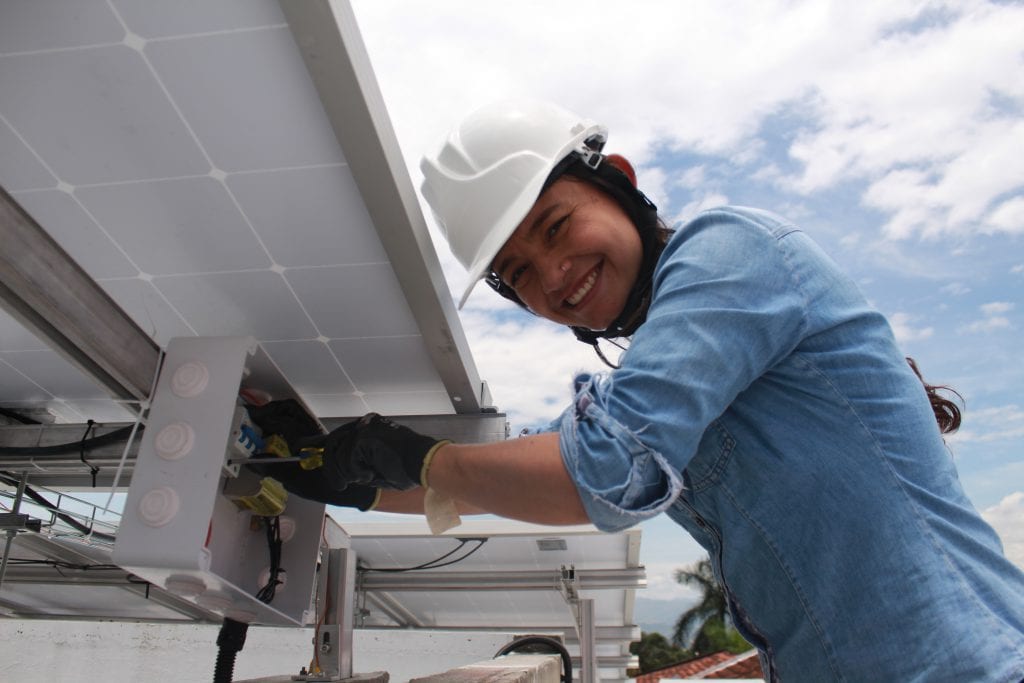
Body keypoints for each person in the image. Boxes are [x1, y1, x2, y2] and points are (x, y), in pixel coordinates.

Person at [273, 100, 1024, 681]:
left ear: (620, 181)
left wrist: (413, 457)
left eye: (557, 226)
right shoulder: (672, 375)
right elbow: (513, 480)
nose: (554, 273)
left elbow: (596, 472)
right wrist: (347, 477)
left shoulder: (731, 249)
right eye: (520, 274)